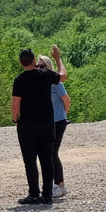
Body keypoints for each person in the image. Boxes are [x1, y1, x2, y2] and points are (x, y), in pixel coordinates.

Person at [11, 45, 66, 206]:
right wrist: (57, 59)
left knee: (30, 161)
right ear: (34, 60)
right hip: (46, 123)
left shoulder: (19, 80)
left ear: (21, 63)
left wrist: (15, 119)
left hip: (27, 125)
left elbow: (15, 104)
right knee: (46, 159)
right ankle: (47, 195)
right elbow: (63, 76)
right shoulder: (45, 74)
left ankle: (33, 194)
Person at [37, 54, 71, 197]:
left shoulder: (56, 84)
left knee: (52, 153)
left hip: (58, 121)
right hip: (48, 121)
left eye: (42, 66)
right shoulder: (40, 84)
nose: (39, 68)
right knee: (51, 153)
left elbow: (67, 101)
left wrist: (62, 115)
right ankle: (61, 185)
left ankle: (57, 185)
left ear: (48, 67)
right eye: (37, 66)